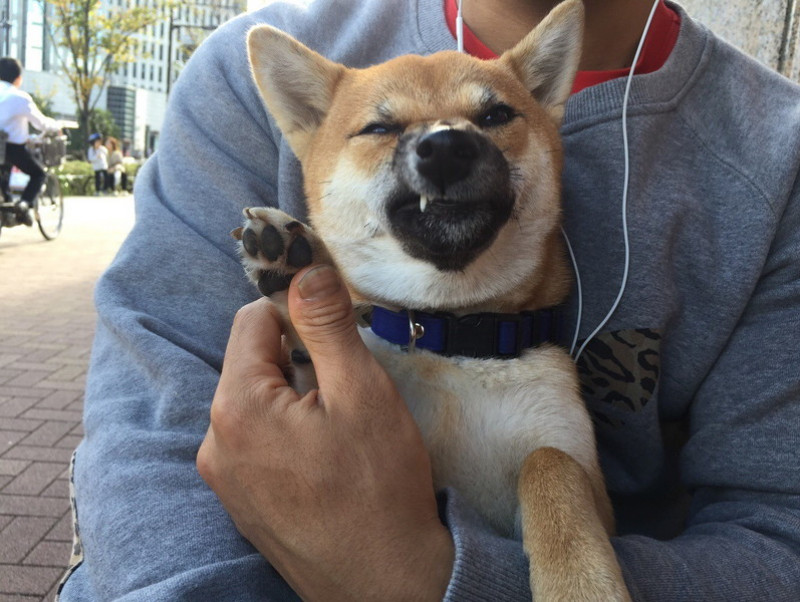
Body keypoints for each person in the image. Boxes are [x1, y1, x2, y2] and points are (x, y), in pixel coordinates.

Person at [57, 1, 800, 600]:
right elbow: (146, 447)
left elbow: (779, 538)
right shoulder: (235, 83)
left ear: (544, 101)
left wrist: (412, 577)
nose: (446, 143)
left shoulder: (775, 161)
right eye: (383, 128)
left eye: (492, 118)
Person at [0, 56, 59, 226]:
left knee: (4, 173)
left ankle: (7, 208)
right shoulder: (20, 97)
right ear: (18, 79)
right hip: (11, 149)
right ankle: (24, 205)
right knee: (39, 174)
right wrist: (56, 127)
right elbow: (41, 123)